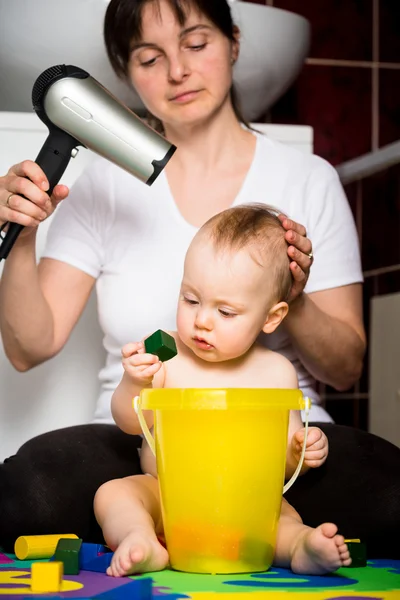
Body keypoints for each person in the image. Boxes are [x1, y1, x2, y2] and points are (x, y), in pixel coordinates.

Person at [0, 0, 398, 557]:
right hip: (148, 444)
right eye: (148, 56)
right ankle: (147, 533)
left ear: (233, 42)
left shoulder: (308, 178)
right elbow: (27, 348)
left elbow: (346, 366)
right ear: (126, 72)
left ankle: (288, 539)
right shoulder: (103, 183)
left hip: (274, 449)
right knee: (27, 492)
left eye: (195, 43)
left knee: (392, 499)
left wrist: (293, 295)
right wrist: (20, 234)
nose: (177, 71)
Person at [95, 205, 348, 578]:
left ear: (272, 317)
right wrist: (135, 382)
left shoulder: (276, 372)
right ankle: (140, 538)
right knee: (114, 494)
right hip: (167, 494)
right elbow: (130, 423)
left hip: (245, 502)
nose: (201, 320)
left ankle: (300, 547)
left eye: (226, 312)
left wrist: (302, 449)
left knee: (281, 516)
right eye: (191, 299)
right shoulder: (166, 353)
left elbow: (285, 463)